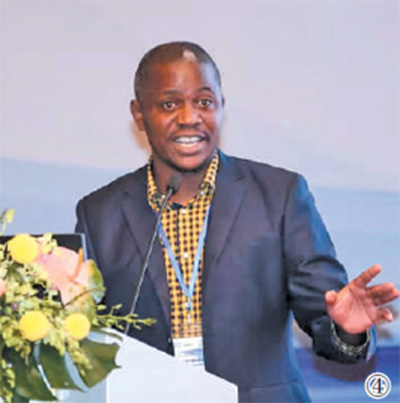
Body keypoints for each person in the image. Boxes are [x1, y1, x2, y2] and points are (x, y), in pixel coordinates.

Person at [75, 42, 399, 402]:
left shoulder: (280, 195)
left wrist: (346, 329)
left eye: (204, 102)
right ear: (139, 114)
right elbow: (83, 339)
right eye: (169, 104)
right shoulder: (99, 213)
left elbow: (325, 315)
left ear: (221, 106)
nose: (189, 117)